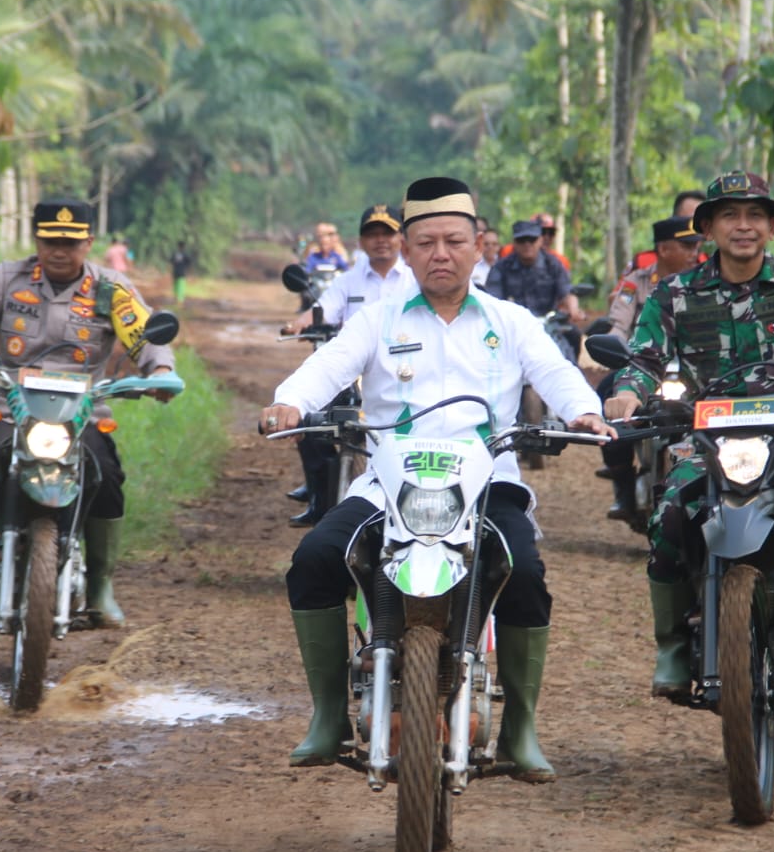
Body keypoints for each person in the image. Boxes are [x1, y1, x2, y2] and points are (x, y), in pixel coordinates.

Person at [260, 176, 617, 782]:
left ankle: (520, 728)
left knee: (524, 571)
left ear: (480, 246)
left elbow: (555, 374)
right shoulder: (377, 319)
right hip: (389, 482)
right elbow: (326, 367)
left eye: (454, 241)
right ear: (406, 250)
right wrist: (289, 402)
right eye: (425, 242)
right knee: (316, 558)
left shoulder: (511, 320)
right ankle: (326, 716)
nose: (440, 254)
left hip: (486, 483)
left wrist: (583, 412)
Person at [602, 166, 774, 699]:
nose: (744, 225)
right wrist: (629, 393)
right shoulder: (674, 294)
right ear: (706, 228)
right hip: (701, 438)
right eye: (729, 215)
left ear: (773, 226)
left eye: (756, 214)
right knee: (666, 518)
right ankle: (671, 647)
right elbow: (643, 357)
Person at [0, 197, 178, 629]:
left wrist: (159, 370)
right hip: (10, 405)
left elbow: (143, 332)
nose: (59, 250)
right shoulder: (7, 278)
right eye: (50, 240)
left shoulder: (110, 288)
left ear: (88, 242)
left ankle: (100, 585)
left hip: (82, 412)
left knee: (106, 473)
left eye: (70, 241)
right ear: (37, 239)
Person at [280, 204, 413, 527]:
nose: (380, 240)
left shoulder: (414, 280)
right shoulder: (347, 281)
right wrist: (298, 325)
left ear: (402, 239)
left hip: (403, 374)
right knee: (312, 423)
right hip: (352, 374)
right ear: (361, 241)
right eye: (372, 234)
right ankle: (319, 502)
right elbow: (322, 309)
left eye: (388, 233)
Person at [596, 216, 704, 521]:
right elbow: (619, 324)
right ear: (663, 248)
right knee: (607, 396)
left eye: (696, 245)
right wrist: (618, 355)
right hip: (642, 367)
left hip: (689, 372)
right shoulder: (636, 283)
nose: (693, 252)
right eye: (685, 245)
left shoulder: (704, 283)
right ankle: (623, 488)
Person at [488, 218, 587, 330]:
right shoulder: (501, 267)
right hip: (512, 326)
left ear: (540, 240)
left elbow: (566, 291)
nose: (527, 244)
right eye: (522, 240)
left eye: (532, 239)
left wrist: (573, 310)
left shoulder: (553, 264)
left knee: (574, 335)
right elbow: (492, 300)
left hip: (549, 325)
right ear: (514, 242)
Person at [626, 190, 706, 275]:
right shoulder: (643, 263)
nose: (693, 227)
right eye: (688, 219)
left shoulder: (708, 263)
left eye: (700, 221)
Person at [169, 240, 194, 305]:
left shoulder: (175, 254)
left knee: (176, 286)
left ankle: (176, 299)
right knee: (181, 287)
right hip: (182, 273)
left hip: (175, 272)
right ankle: (180, 301)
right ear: (184, 247)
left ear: (178, 246)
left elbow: (171, 261)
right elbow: (189, 262)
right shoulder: (185, 255)